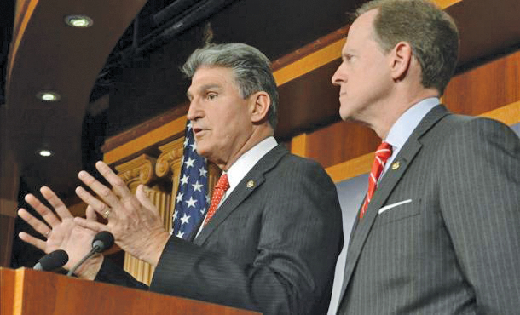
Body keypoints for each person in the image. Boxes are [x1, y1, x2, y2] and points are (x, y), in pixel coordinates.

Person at [18, 43, 344, 315]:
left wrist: (154, 245)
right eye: (192, 98)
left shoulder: (295, 178)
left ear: (257, 106)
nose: (192, 113)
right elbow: (173, 308)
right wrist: (93, 267)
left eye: (211, 95)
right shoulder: (219, 199)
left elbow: (287, 299)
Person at [331, 0, 520, 314]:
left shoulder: (466, 143)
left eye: (349, 58)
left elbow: (510, 297)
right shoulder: (385, 172)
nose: (336, 75)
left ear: (399, 60)